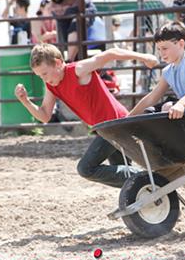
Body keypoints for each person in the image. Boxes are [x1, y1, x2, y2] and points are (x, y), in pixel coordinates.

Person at [14, 43, 159, 188]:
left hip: (115, 125)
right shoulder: (52, 85)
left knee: (86, 168)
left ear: (58, 63)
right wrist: (25, 101)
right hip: (105, 129)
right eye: (40, 76)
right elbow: (45, 116)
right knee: (123, 174)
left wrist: (144, 57)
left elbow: (110, 53)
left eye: (45, 73)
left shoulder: (78, 70)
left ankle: (151, 179)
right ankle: (145, 191)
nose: (44, 79)